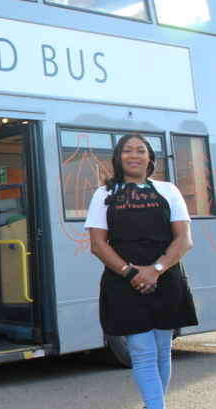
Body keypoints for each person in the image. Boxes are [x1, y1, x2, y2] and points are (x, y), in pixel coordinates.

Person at [85, 134, 198, 409]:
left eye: (140, 150)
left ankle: (154, 405)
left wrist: (155, 269)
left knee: (162, 350)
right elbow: (98, 245)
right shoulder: (103, 194)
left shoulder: (168, 190)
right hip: (123, 282)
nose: (134, 155)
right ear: (118, 157)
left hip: (166, 277)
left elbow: (184, 239)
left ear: (149, 158)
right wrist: (131, 273)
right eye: (127, 151)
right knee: (142, 351)